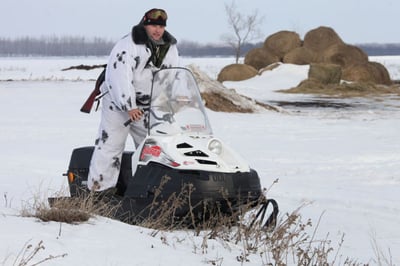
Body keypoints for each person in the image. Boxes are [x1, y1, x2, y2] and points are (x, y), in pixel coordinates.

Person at [87, 8, 180, 194]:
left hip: (147, 105)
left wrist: (173, 100)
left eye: (161, 26)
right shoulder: (128, 45)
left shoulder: (169, 47)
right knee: (111, 143)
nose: (157, 30)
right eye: (153, 25)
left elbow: (172, 75)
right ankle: (99, 191)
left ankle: (151, 190)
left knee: (154, 146)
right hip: (117, 102)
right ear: (145, 24)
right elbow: (119, 76)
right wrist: (129, 106)